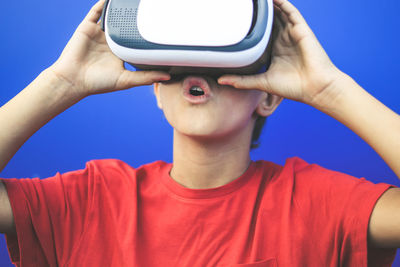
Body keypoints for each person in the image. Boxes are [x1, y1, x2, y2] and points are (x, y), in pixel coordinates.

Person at [0, 0, 399, 266]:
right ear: (157, 87)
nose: (197, 68)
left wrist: (329, 88)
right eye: (180, 54)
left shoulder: (314, 204)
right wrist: (62, 82)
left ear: (270, 98)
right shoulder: (92, 200)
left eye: (221, 54)